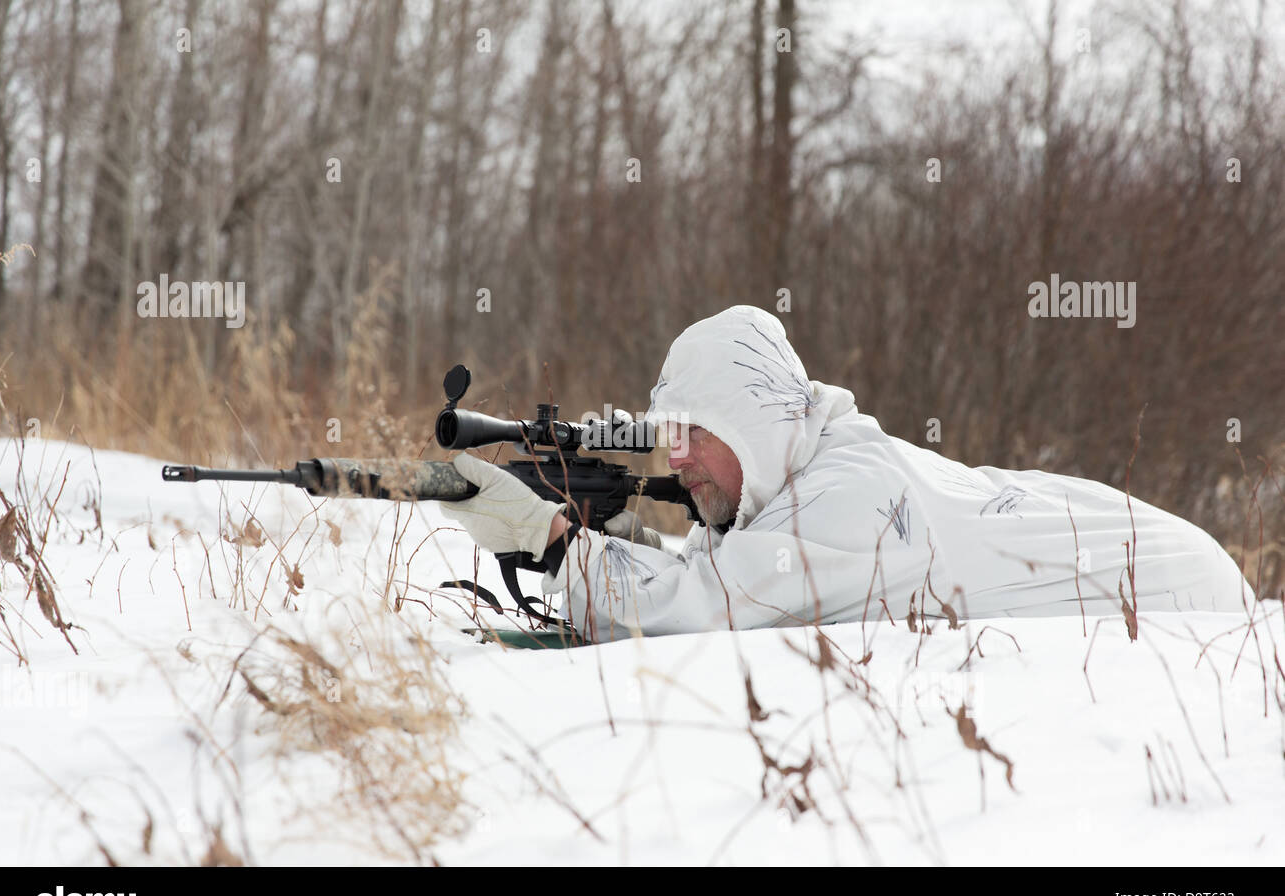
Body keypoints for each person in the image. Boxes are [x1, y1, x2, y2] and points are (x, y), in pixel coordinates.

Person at [441, 305, 1251, 641]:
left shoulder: (854, 498)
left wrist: (549, 540)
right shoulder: (811, 468)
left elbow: (709, 606)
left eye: (695, 432)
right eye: (669, 434)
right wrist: (611, 532)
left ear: (756, 425)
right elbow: (732, 568)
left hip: (1183, 593)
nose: (674, 456)